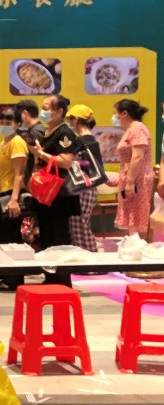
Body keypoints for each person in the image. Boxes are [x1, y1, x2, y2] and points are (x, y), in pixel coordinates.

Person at [31, 93, 79, 285]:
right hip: (45, 194)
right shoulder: (47, 132)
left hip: (59, 194)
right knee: (46, 236)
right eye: (42, 108)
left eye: (47, 109)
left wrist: (40, 153)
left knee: (58, 236)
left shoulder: (64, 132)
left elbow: (66, 162)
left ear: (59, 112)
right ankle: (50, 276)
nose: (43, 112)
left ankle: (61, 279)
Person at [0, 108, 29, 292]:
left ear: (18, 124)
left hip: (10, 195)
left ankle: (15, 279)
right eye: (2, 123)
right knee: (4, 237)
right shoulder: (4, 143)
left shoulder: (17, 143)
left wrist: (14, 199)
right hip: (1, 194)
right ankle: (8, 277)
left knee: (12, 238)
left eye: (9, 123)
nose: (4, 126)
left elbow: (19, 174)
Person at [68, 104, 105, 252]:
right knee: (81, 224)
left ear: (76, 120)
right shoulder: (90, 139)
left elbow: (86, 167)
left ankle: (90, 261)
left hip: (83, 187)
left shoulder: (84, 140)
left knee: (80, 225)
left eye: (71, 119)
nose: (69, 123)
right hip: (88, 187)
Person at [113, 99, 153, 238]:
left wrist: (130, 182)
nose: (114, 118)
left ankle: (140, 251)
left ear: (124, 113)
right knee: (130, 216)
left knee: (137, 216)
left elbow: (137, 156)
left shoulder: (137, 128)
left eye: (115, 114)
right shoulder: (131, 129)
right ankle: (132, 248)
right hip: (130, 177)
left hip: (137, 178)